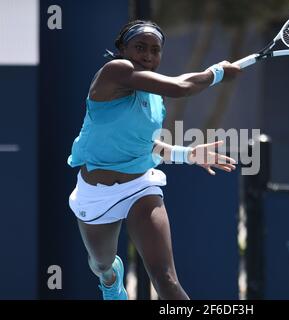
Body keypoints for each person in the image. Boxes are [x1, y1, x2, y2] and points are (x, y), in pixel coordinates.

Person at [67, 20, 241, 300]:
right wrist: (217, 73)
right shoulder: (115, 71)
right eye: (140, 47)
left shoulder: (154, 100)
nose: (148, 56)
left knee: (166, 278)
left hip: (140, 187)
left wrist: (187, 154)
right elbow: (182, 86)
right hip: (95, 193)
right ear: (123, 49)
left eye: (154, 50)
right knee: (100, 263)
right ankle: (111, 280)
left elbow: (145, 146)